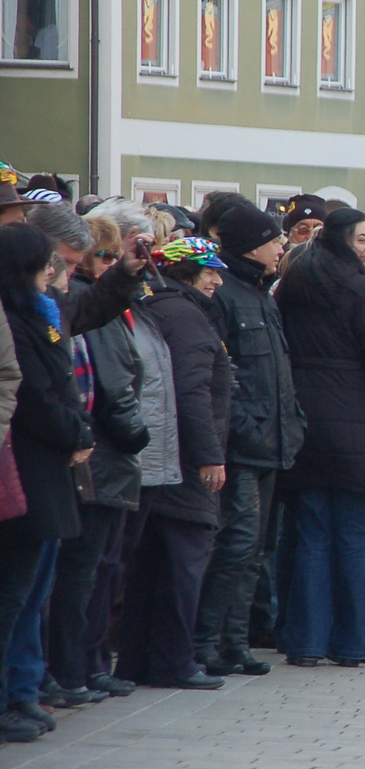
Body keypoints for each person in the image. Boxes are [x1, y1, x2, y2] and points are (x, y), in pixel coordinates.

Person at [275, 208, 365, 670]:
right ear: (346, 240)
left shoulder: (296, 280)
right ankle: (352, 643)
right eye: (363, 239)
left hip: (305, 418)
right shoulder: (361, 289)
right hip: (355, 419)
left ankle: (305, 642)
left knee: (310, 534)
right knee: (353, 536)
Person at [116, 239, 232, 691]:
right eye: (209, 272)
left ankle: (136, 661)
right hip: (184, 464)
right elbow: (192, 393)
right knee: (183, 564)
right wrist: (209, 457)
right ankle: (174, 662)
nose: (217, 280)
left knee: (149, 566)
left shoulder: (156, 309)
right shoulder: (187, 318)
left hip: (160, 460)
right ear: (186, 273)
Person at [43, 218, 148, 706]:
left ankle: (75, 670)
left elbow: (92, 312)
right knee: (74, 574)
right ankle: (64, 672)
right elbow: (105, 386)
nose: (99, 267)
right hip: (89, 455)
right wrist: (130, 435)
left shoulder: (74, 304)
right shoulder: (49, 305)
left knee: (94, 571)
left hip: (93, 454)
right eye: (100, 258)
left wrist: (125, 273)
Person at [193, 204, 300, 678]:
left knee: (256, 549)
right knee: (235, 544)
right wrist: (247, 427)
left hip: (271, 443)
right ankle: (206, 641)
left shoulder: (261, 295)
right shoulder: (225, 297)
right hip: (242, 444)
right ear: (251, 245)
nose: (282, 246)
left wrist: (291, 424)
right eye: (274, 238)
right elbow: (224, 376)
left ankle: (234, 643)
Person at [0, 225, 92, 741]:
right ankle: (10, 695)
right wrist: (74, 431)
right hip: (28, 464)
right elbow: (32, 394)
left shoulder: (43, 314)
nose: (54, 273)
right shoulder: (15, 317)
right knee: (13, 593)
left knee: (29, 593)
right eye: (47, 264)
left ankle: (21, 690)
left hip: (49, 465)